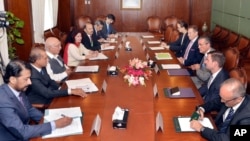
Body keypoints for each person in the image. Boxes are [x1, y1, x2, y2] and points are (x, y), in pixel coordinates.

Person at [0, 59, 73, 140]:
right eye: (26, 79)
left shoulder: (18, 88)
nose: (30, 82)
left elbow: (30, 109)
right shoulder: (3, 101)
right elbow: (22, 132)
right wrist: (54, 124)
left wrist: (49, 119)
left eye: (30, 78)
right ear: (13, 79)